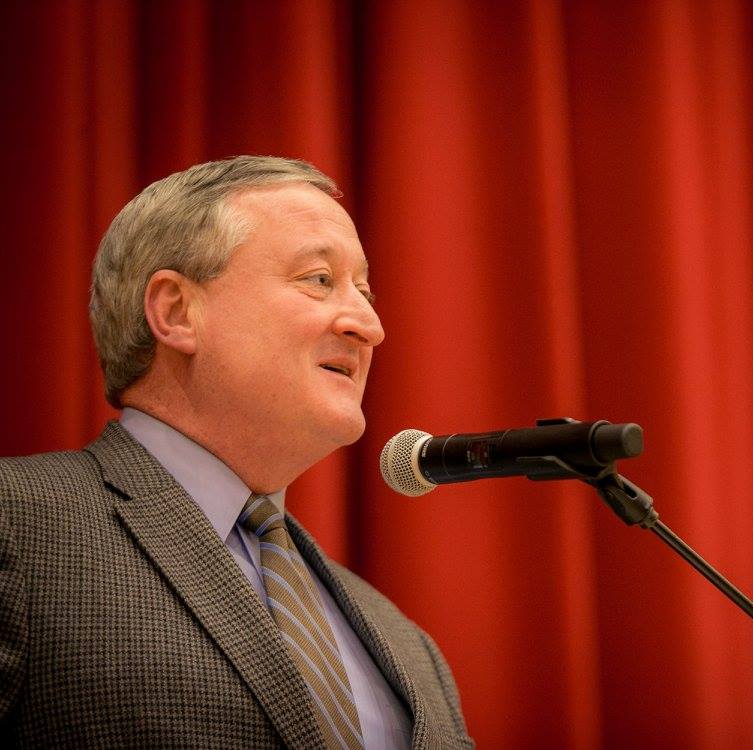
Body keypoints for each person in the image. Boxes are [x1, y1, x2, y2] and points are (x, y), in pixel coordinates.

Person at [0, 156, 473, 749]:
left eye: (365, 290)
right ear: (177, 311)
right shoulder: (18, 524)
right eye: (319, 279)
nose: (369, 325)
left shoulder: (408, 645)